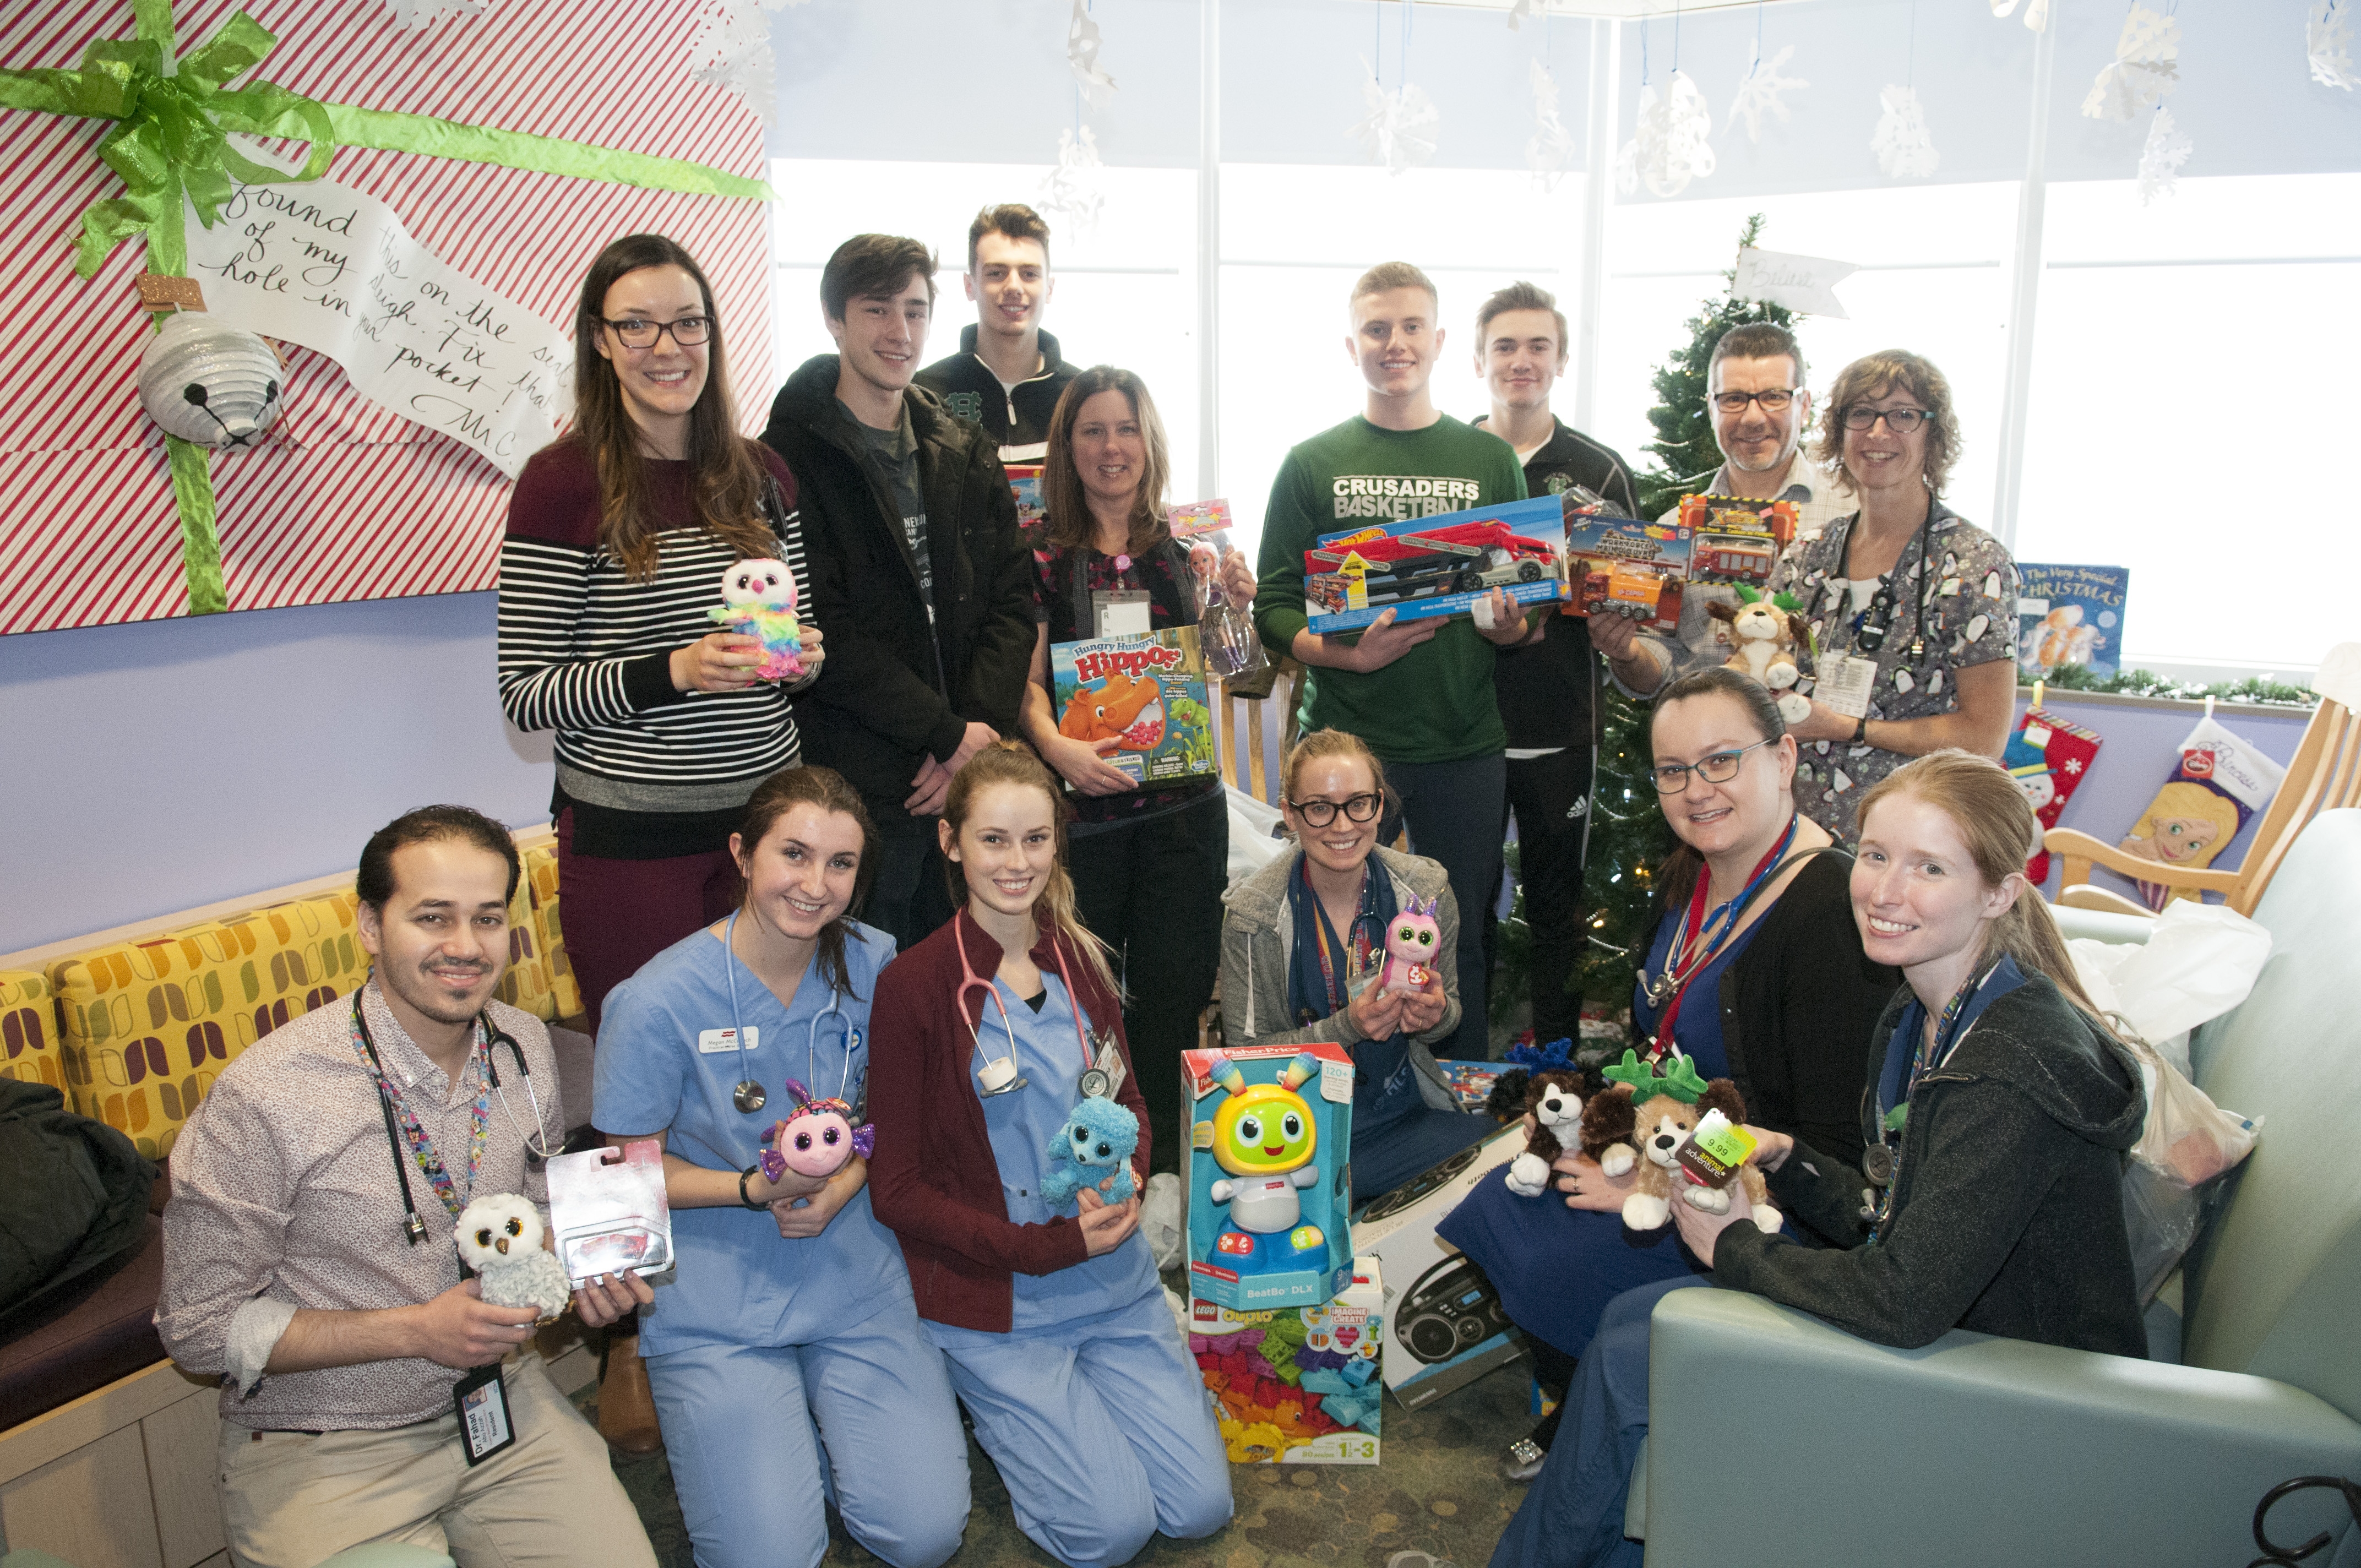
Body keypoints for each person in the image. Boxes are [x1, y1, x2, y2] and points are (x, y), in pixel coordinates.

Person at [1490, 749, 2146, 1568]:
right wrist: (1787, 1157)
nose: (1884, 891)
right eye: (1875, 855)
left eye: (1929, 868)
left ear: (1999, 892)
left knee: (1639, 1357)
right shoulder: (1921, 1015)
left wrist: (1735, 1246)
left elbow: (1904, 1297)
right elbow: (1896, 1214)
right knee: (1638, 1320)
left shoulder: (2005, 1070)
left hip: (2023, 1395)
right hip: (1959, 1332)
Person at [156, 807, 657, 1568]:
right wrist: (416, 1330)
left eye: (487, 918)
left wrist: (579, 1273)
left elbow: (533, 1211)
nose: (466, 946)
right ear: (370, 925)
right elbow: (199, 1328)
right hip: (328, 1446)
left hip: (500, 1402)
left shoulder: (523, 1047)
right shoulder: (269, 1097)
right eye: (433, 917)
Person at [1435, 668, 1896, 1479]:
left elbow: (1814, 1147)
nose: (1696, 789)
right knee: (1494, 1202)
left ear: (1783, 758)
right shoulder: (1693, 877)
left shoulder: (1826, 910)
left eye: (1721, 761)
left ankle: (1612, 1423)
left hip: (1755, 1206)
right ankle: (1590, 1393)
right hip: (1663, 1146)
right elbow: (1657, 1049)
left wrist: (1656, 1186)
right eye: (1673, 771)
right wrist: (1589, 1119)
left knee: (1549, 1260)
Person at [591, 764, 970, 1568]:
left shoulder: (878, 964)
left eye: (840, 863)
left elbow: (903, 1111)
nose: (815, 884)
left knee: (924, 1535)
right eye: (793, 854)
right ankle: (778, 1430)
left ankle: (812, 1432)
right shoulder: (656, 1001)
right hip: (716, 1299)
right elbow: (622, 1176)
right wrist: (749, 1188)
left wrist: (849, 1179)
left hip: (853, 1272)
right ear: (742, 852)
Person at [867, 743, 1232, 1568]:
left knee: (1199, 1508)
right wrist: (1038, 1248)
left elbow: (1128, 1103)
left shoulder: (1077, 958)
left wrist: (1130, 1176)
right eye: (993, 840)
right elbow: (896, 1189)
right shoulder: (913, 987)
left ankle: (1084, 1421)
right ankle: (1007, 1416)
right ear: (951, 843)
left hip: (1111, 1279)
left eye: (1035, 839)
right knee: (1110, 1533)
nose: (1017, 862)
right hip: (1002, 1297)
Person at [498, 232, 825, 1040]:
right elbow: (526, 695)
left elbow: (798, 643)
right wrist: (677, 669)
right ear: (601, 341)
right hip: (633, 846)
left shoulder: (764, 475)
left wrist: (803, 659)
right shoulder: (561, 484)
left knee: (775, 1064)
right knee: (656, 1070)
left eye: (687, 322)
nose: (667, 347)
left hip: (769, 829)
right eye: (637, 326)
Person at [1253, 262, 1533, 1060]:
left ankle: (1456, 1103)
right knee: (1329, 940)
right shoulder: (1310, 462)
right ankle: (1336, 1097)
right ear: (1353, 345)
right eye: (1376, 329)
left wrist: (1509, 627)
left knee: (1460, 941)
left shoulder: (1489, 461)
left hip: (1461, 744)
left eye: (1411, 327)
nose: (1395, 343)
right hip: (1343, 749)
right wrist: (1346, 655)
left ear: (1439, 341)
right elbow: (1274, 604)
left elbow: (1527, 603)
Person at [761, 233, 1035, 948]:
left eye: (915, 311)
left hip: (965, 776)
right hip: (860, 781)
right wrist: (943, 736)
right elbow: (821, 626)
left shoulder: (960, 446)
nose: (900, 332)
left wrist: (971, 738)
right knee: (865, 989)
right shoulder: (787, 459)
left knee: (963, 983)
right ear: (834, 318)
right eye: (877, 310)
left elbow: (1012, 601)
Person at [1018, 367, 1257, 1170]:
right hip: (1082, 819)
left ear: (1149, 442)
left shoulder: (1188, 553)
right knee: (1082, 1004)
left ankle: (1162, 1176)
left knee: (1171, 1002)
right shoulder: (1039, 555)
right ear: (1068, 446)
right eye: (1092, 430)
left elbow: (1236, 667)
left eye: (1125, 429)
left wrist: (1237, 607)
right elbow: (1023, 682)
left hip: (1183, 819)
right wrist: (1056, 748)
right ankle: (1088, 1167)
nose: (1111, 447)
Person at [1467, 280, 1641, 1052]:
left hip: (1561, 728)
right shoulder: (1455, 460)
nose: (1521, 360)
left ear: (1561, 359)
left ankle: (1557, 1067)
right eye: (1505, 345)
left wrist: (1619, 613)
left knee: (1554, 909)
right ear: (1479, 360)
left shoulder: (1600, 471)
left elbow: (1638, 587)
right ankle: (1460, 1060)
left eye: (1538, 345)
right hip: (1463, 730)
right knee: (1463, 907)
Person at [1218, 729, 1497, 1201]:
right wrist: (1346, 1027)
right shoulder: (1254, 916)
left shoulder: (1425, 892)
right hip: (1295, 1137)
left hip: (1403, 1119)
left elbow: (1448, 1013)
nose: (1343, 826)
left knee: (1507, 1156)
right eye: (1319, 808)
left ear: (1380, 806)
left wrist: (1434, 1015)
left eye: (1359, 804)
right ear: (1290, 814)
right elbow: (1247, 1056)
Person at [1768, 350, 2019, 839]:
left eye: (1903, 415)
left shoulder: (1974, 564)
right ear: (1839, 431)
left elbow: (1984, 738)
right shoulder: (1806, 556)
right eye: (1861, 414)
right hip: (1799, 836)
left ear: (1934, 435)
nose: (1878, 433)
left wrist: (1848, 727)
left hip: (1916, 840)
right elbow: (1760, 667)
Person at [1597, 322, 1848, 702]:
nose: (1753, 417)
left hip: (1821, 735)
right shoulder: (1673, 531)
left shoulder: (1854, 513)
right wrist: (1626, 654)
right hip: (1708, 733)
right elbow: (1656, 670)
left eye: (1774, 397)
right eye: (1733, 399)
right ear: (1711, 406)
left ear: (1805, 405)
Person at [913, 203, 1078, 461]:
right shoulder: (926, 394)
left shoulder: (1081, 396)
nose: (1014, 287)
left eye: (1029, 274)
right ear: (970, 286)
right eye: (997, 273)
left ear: (1049, 288)